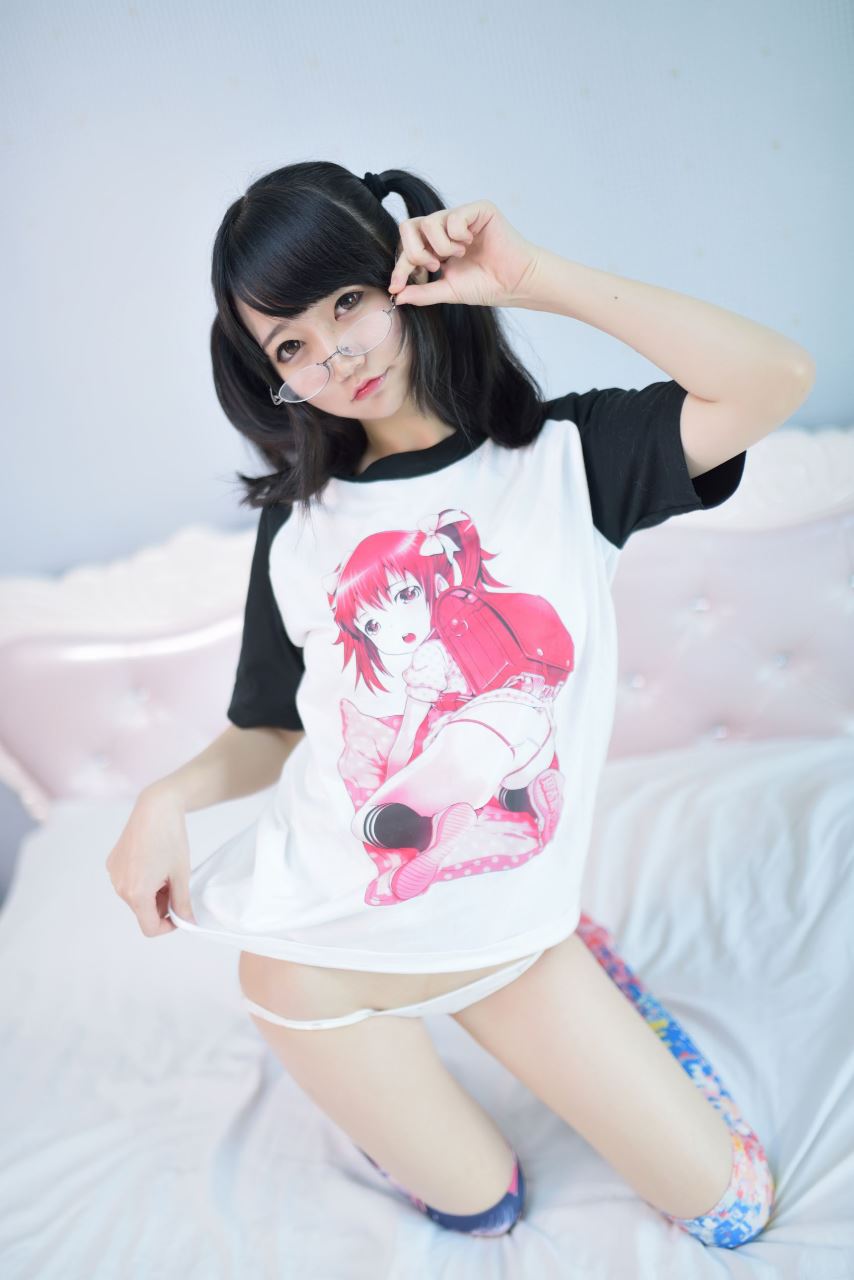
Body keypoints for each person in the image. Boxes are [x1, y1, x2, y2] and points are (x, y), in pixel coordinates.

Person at [106, 160, 810, 1245]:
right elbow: (274, 726)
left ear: (406, 277)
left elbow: (773, 378)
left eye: (348, 302)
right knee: (483, 1209)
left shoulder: (569, 460)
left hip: (508, 938)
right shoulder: (299, 524)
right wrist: (165, 798)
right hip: (320, 956)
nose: (335, 355)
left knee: (729, 1212)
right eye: (290, 345)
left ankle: (577, 952)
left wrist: (533, 278)